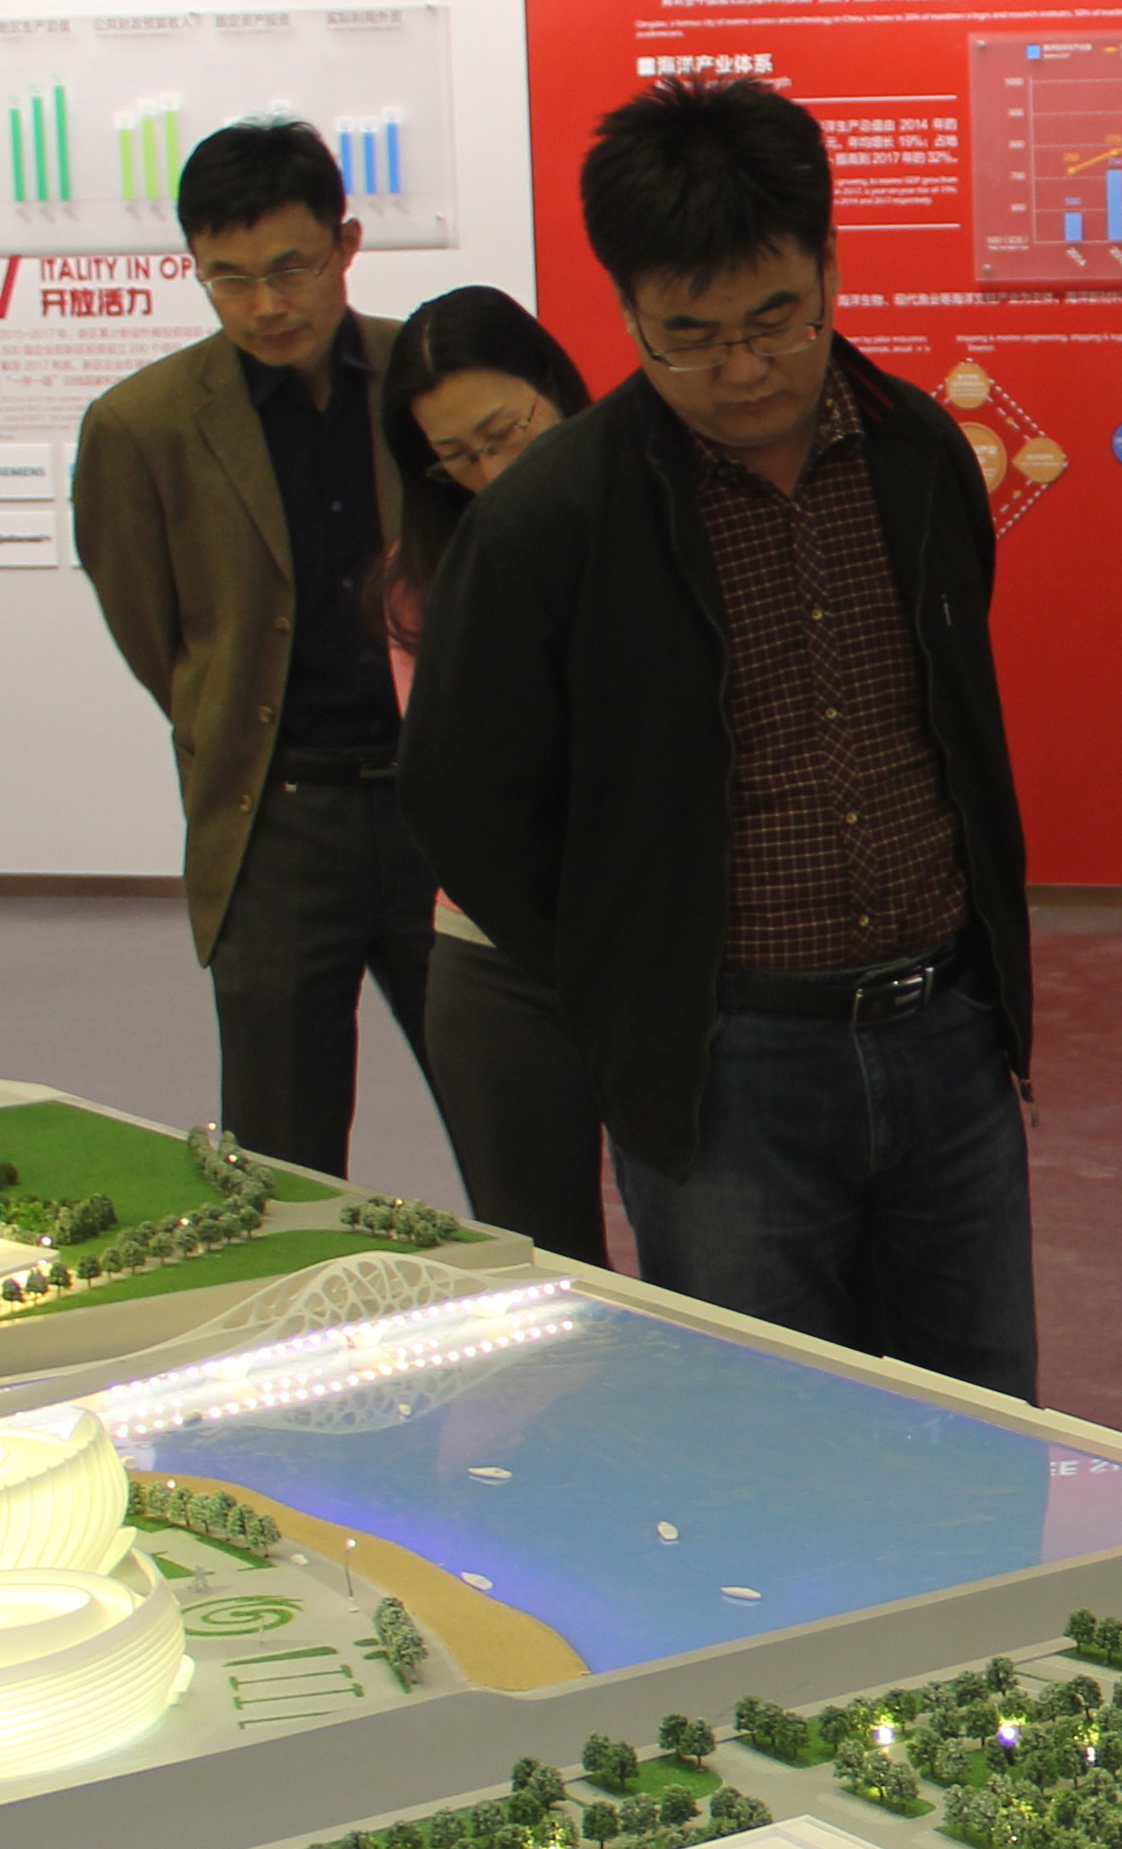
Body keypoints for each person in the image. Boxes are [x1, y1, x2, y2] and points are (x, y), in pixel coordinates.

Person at [402, 81, 1037, 1391]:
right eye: (690, 338)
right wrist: (624, 972)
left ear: (829, 269)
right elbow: (465, 799)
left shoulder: (918, 455)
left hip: (946, 1035)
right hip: (726, 1066)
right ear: (626, 310)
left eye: (776, 322)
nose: (744, 371)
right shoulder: (552, 518)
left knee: (982, 1422)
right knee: (767, 1430)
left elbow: (960, 729)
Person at [71, 118, 431, 1175]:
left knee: (517, 1108)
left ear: (346, 244)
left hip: (443, 805)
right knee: (282, 1154)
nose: (266, 305)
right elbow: (156, 632)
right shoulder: (141, 426)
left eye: (290, 269)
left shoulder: (429, 376)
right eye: (228, 279)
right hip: (276, 818)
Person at [370, 287, 608, 1264]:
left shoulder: (659, 524)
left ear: (555, 384)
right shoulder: (423, 582)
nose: (492, 472)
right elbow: (468, 796)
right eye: (457, 457)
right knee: (544, 1262)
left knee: (711, 1268)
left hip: (668, 950)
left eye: (506, 434)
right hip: (501, 950)